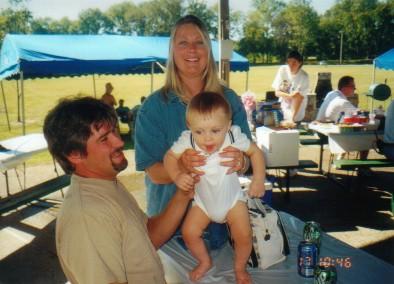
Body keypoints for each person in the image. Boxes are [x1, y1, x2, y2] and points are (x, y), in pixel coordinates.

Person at [43, 97, 192, 284]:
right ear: (75, 155)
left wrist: (184, 193)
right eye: (104, 139)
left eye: (113, 130)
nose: (119, 142)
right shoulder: (87, 215)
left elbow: (148, 237)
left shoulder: (105, 183)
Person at [135, 15, 252, 251]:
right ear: (172, 51)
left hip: (224, 228)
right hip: (171, 233)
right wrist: (181, 168)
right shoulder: (154, 107)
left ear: (208, 50)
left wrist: (242, 161)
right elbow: (155, 174)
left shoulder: (229, 100)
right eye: (183, 43)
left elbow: (249, 160)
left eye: (199, 42)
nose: (192, 49)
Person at [164, 92, 266, 283]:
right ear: (189, 127)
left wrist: (258, 179)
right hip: (203, 203)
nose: (207, 139)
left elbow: (256, 153)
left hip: (233, 201)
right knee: (189, 233)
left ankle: (239, 267)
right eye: (199, 131)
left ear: (228, 125)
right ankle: (204, 261)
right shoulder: (188, 140)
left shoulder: (233, 136)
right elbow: (169, 157)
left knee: (244, 236)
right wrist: (177, 175)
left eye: (215, 130)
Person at [272, 50, 309, 125]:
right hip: (283, 111)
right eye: (289, 61)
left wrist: (292, 119)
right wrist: (290, 96)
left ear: (300, 63)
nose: (291, 65)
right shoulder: (283, 70)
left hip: (296, 114)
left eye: (294, 62)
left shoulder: (304, 77)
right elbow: (277, 92)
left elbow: (299, 98)